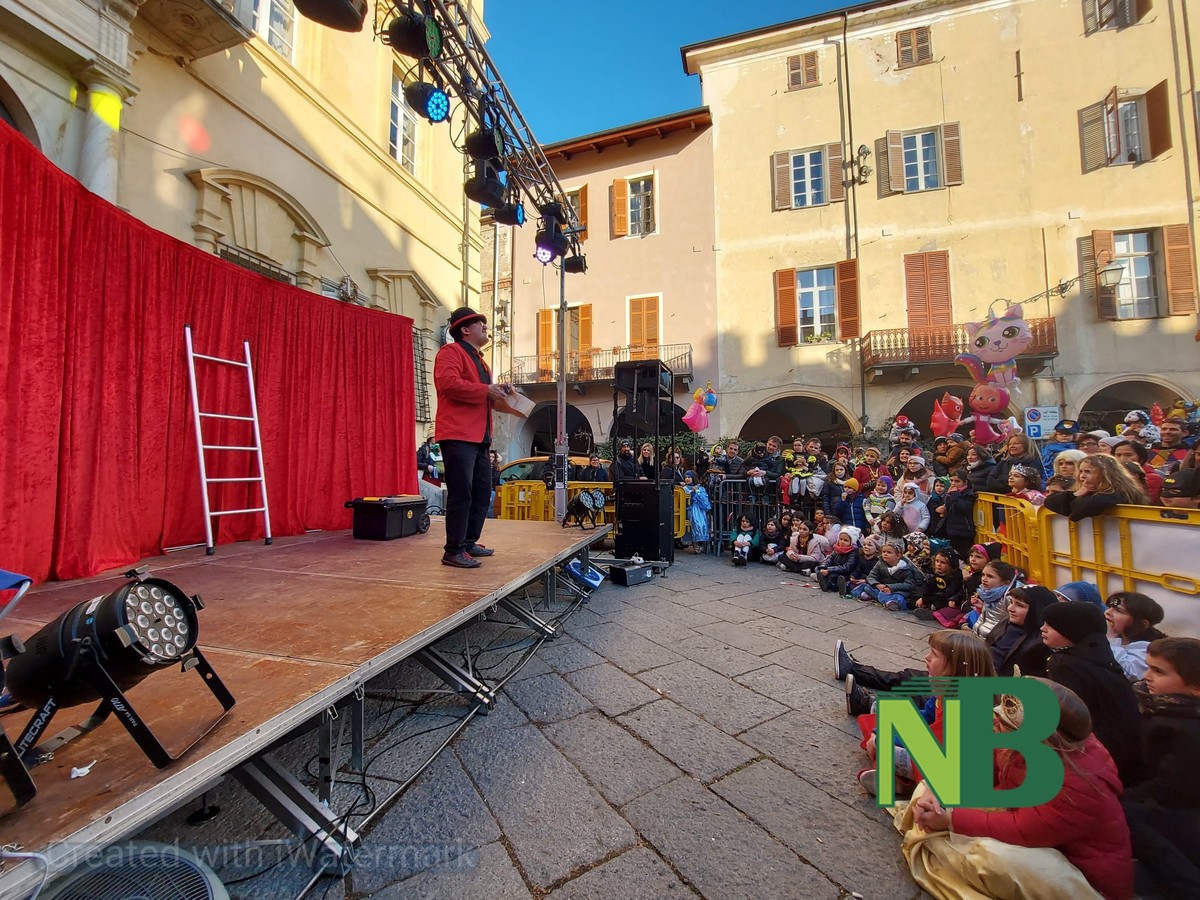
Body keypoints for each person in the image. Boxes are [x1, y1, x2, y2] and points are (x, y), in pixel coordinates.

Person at [911, 679, 1134, 900]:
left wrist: (951, 819)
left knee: (988, 857)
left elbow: (1024, 828)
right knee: (929, 793)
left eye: (1006, 721)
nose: (997, 719)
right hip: (1030, 830)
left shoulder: (1080, 785)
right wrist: (937, 789)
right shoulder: (1030, 743)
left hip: (1082, 878)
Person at [433, 307, 512, 568]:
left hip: (479, 436)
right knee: (461, 492)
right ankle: (453, 549)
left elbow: (479, 393)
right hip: (458, 434)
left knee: (481, 491)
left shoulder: (480, 360)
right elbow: (448, 384)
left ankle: (467, 543)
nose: (486, 327)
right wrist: (487, 389)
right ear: (465, 329)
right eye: (481, 323)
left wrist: (498, 391)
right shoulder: (450, 352)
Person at [1122, 637, 1200, 898]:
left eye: (1158, 671)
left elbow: (1176, 786)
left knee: (1128, 815)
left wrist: (1124, 797)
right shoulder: (1166, 711)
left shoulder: (1181, 727)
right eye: (1148, 667)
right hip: (1172, 801)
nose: (1147, 676)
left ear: (1196, 687)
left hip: (1183, 809)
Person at [1041, 600, 1143, 785]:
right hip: (1123, 747)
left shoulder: (1067, 666)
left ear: (1071, 630)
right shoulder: (1096, 650)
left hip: (1097, 752)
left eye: (1051, 625)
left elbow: (1065, 718)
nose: (1043, 628)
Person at [1045, 453, 1148, 520]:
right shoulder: (1087, 491)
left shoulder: (1119, 493)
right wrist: (1076, 493)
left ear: (1105, 474)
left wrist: (1077, 497)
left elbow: (1077, 512)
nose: (1082, 476)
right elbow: (1049, 501)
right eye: (1081, 471)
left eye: (1088, 472)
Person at [984, 584, 1055, 676]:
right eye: (1011, 602)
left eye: (1019, 605)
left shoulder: (1044, 639)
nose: (1010, 608)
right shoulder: (1006, 622)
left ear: (1037, 610)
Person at [1104, 591, 1166, 681]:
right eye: (1109, 607)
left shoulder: (1149, 649)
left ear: (1142, 624)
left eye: (1118, 610)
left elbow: (1128, 673)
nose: (1108, 612)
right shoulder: (1118, 637)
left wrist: (1110, 640)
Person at [911, 548, 964, 622]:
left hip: (947, 599)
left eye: (943, 562)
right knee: (915, 594)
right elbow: (928, 586)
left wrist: (925, 599)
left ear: (950, 565)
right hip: (934, 596)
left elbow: (948, 593)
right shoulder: (937, 574)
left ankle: (932, 611)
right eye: (937, 561)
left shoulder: (956, 576)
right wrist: (922, 597)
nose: (939, 564)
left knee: (941, 603)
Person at [683, 470, 711, 554]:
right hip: (690, 510)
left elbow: (705, 502)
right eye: (686, 477)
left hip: (699, 511)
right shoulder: (684, 489)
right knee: (692, 527)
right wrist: (693, 494)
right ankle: (695, 544)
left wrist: (697, 493)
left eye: (689, 477)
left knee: (701, 526)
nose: (687, 479)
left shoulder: (701, 488)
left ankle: (701, 544)